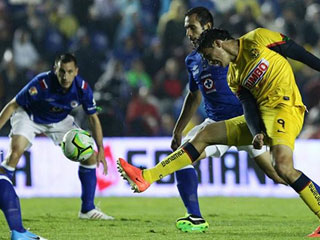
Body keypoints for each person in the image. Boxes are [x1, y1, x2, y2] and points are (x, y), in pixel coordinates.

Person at [117, 27, 320, 237]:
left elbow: (298, 52)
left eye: (208, 56)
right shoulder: (233, 76)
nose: (210, 62)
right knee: (204, 134)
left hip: (285, 108)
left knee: (283, 168)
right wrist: (256, 131)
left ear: (218, 44)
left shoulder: (258, 38)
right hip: (261, 115)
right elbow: (248, 107)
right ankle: (146, 176)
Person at [171, 7, 286, 233]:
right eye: (186, 29)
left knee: (280, 173)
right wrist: (178, 129)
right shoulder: (192, 60)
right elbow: (194, 96)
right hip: (215, 127)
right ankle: (194, 216)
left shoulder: (233, 51)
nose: (188, 34)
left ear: (208, 28)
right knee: (182, 157)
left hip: (246, 123)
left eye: (192, 28)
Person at [0, 53, 113, 240]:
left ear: (76, 71)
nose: (65, 76)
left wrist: (101, 148)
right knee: (15, 153)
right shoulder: (41, 83)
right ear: (55, 70)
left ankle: (88, 209)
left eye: (70, 72)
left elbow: (93, 117)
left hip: (60, 121)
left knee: (91, 156)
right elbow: (13, 105)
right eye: (62, 71)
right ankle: (6, 197)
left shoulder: (82, 88)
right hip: (30, 117)